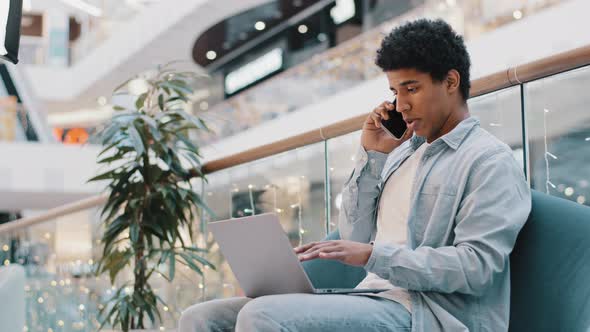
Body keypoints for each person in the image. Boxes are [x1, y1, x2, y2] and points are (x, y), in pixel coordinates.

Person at [179, 18, 531, 332]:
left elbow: (476, 267)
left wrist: (371, 256)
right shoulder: (401, 153)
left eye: (412, 88)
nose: (402, 104)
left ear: (451, 81)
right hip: (371, 298)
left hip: (428, 314)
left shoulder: (488, 160)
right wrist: (372, 156)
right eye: (395, 92)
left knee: (262, 316)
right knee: (200, 318)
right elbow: (355, 232)